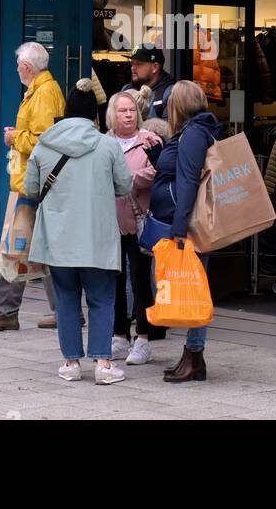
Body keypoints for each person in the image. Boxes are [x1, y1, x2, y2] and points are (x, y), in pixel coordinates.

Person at [26, 79, 134, 384]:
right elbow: (125, 185)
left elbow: (32, 187)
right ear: (94, 117)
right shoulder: (108, 145)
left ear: (66, 112)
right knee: (101, 299)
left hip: (58, 240)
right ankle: (103, 364)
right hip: (97, 238)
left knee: (67, 299)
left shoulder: (44, 144)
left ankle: (71, 363)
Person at [0, 42, 66, 332]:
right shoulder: (42, 90)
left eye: (17, 66)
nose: (16, 71)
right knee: (36, 248)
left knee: (16, 247)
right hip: (31, 182)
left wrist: (15, 138)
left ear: (26, 68)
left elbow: (45, 141)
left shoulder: (44, 94)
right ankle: (60, 311)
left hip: (33, 184)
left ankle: (5, 312)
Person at [148, 79, 224, 383]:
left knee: (193, 287)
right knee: (191, 284)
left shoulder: (192, 134)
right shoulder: (189, 132)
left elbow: (189, 180)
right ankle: (193, 356)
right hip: (181, 221)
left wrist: (179, 228)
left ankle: (195, 355)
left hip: (187, 225)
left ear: (177, 105)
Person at [106, 90, 165, 365]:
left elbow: (158, 171)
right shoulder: (103, 142)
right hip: (110, 223)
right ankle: (119, 335)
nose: (128, 115)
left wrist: (130, 178)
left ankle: (143, 338)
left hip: (140, 222)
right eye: (122, 111)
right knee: (114, 281)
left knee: (141, 282)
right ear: (112, 114)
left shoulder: (149, 141)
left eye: (131, 110)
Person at [121, 45, 176, 122]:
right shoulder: (127, 89)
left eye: (138, 64)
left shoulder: (169, 94)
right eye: (132, 63)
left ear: (155, 67)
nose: (133, 67)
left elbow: (169, 131)